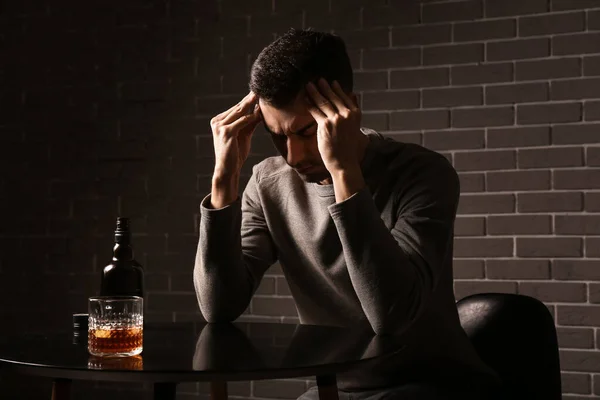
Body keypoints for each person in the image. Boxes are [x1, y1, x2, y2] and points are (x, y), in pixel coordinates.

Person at [194, 28, 502, 400]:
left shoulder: (424, 174)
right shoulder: (267, 184)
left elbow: (390, 315)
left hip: (435, 382)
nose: (292, 156)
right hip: (338, 387)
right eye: (277, 136)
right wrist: (224, 179)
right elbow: (218, 306)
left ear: (348, 110)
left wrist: (343, 175)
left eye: (306, 131)